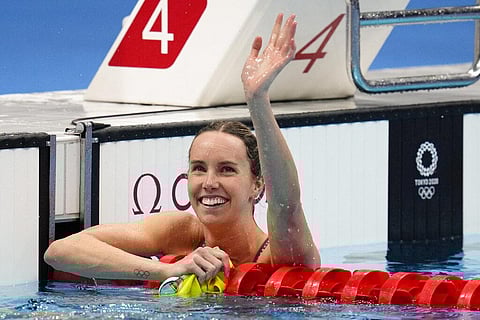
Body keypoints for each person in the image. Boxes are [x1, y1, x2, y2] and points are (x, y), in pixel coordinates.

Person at [44, 13, 320, 285]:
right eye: (199, 169)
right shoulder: (182, 234)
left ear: (257, 185)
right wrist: (166, 271)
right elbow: (60, 252)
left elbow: (286, 206)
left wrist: (257, 100)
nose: (209, 183)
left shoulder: (278, 254)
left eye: (227, 170)